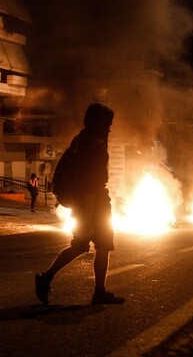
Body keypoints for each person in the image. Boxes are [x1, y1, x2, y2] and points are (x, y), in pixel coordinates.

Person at [35, 103, 124, 305]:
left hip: (94, 200)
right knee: (84, 245)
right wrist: (90, 208)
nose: (109, 127)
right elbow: (88, 179)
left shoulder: (91, 139)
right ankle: (46, 277)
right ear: (97, 122)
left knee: (100, 245)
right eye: (107, 122)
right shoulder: (88, 143)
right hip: (90, 201)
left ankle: (99, 291)